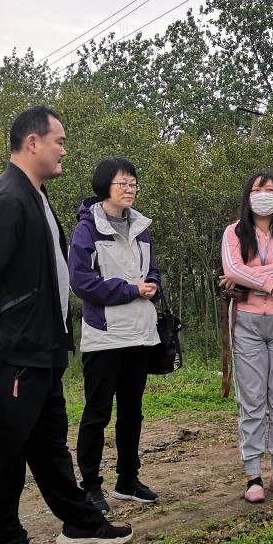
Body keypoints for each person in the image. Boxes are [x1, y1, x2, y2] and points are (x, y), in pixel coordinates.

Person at [0, 106, 133, 544]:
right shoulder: (6, 198)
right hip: (11, 347)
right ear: (33, 143)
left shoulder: (35, 194)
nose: (64, 150)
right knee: (4, 445)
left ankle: (80, 522)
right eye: (59, 141)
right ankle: (1, 541)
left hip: (41, 344)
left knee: (48, 443)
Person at [68, 158, 162, 514]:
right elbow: (82, 283)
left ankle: (128, 479)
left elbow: (152, 271)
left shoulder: (141, 227)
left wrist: (153, 286)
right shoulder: (87, 230)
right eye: (123, 183)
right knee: (97, 413)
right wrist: (131, 290)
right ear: (104, 186)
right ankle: (90, 486)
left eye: (133, 184)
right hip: (105, 335)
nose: (129, 189)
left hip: (140, 333)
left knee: (132, 412)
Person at [220, 173, 273, 502]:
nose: (264, 194)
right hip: (247, 322)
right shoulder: (234, 232)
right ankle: (253, 474)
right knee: (252, 400)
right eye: (258, 189)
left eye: (270, 189)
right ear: (248, 196)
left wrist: (251, 276)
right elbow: (231, 269)